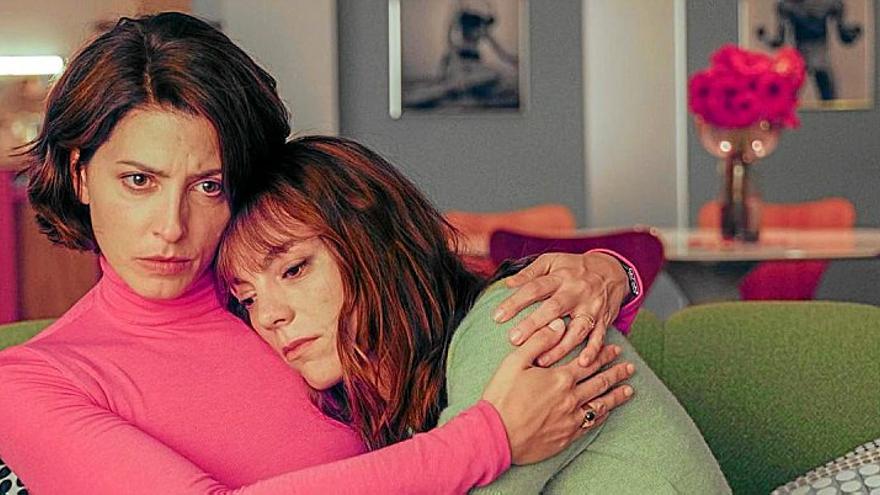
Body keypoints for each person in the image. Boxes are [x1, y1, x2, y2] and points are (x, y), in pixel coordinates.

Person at [0, 12, 645, 494]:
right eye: (139, 181)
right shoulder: (32, 381)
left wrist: (606, 272)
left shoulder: (281, 284)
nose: (171, 227)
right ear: (81, 175)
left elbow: (453, 299)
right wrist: (490, 438)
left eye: (208, 185)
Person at [217, 136, 732, 494]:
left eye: (293, 269)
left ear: (370, 242)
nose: (270, 317)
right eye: (248, 298)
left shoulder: (513, 322)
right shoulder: (395, 388)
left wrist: (611, 270)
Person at [756, 0, 863, 100]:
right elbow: (845, 37)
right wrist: (854, 33)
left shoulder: (788, 6)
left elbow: (778, 41)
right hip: (811, 57)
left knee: (828, 101)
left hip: (808, 56)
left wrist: (764, 37)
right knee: (828, 100)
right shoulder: (828, 4)